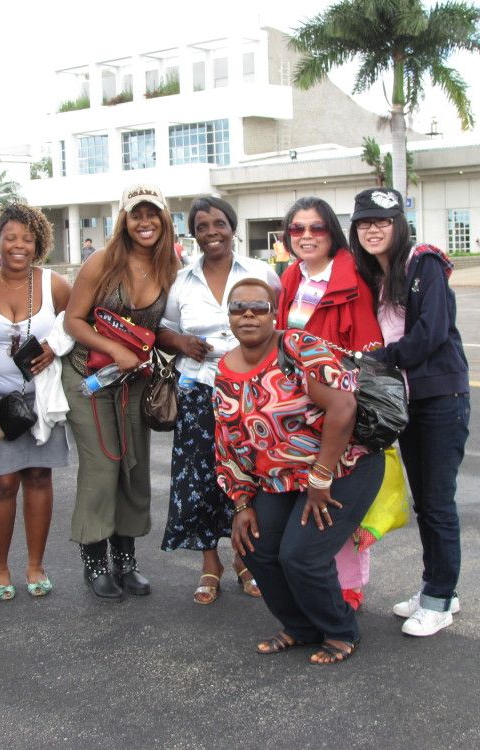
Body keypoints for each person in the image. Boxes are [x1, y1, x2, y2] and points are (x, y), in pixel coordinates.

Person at [215, 278, 385, 664]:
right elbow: (229, 441)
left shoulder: (298, 347)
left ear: (274, 314)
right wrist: (242, 504)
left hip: (343, 467)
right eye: (238, 307)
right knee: (255, 546)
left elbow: (343, 407)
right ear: (229, 317)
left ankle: (340, 630)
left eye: (258, 307)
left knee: (301, 555)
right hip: (283, 476)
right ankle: (300, 627)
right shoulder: (224, 370)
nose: (248, 314)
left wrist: (321, 476)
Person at [349, 186, 470, 637]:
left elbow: (432, 332)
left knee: (437, 503)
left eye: (382, 221)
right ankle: (438, 588)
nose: (373, 229)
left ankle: (439, 599)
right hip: (406, 401)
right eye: (364, 222)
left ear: (399, 225)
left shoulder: (424, 263)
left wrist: (378, 358)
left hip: (440, 397)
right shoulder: (376, 275)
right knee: (426, 502)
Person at [157, 196, 280, 605]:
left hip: (253, 391)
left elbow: (278, 320)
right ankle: (211, 564)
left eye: (219, 224)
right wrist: (180, 342)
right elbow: (163, 328)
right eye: (202, 227)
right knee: (201, 478)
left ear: (232, 227)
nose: (212, 232)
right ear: (194, 234)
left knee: (251, 474)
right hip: (199, 389)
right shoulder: (182, 281)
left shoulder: (260, 272)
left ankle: (247, 560)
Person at [62, 184, 179, 600]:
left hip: (134, 381)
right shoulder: (102, 261)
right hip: (88, 378)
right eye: (136, 214)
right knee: (102, 466)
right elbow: (73, 320)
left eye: (152, 213)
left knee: (133, 466)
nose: (145, 222)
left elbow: (164, 328)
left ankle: (125, 560)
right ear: (124, 221)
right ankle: (94, 560)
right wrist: (113, 349)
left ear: (164, 219)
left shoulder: (170, 266)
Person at [274, 196, 382, 612]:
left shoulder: (351, 277)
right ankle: (314, 584)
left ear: (331, 232)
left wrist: (345, 400)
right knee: (311, 501)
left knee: (339, 498)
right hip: (299, 408)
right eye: (297, 228)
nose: (306, 236)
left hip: (340, 405)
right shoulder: (291, 276)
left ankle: (350, 587)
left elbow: (368, 351)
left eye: (316, 228)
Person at [0, 203, 72, 600]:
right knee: (1, 483)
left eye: (28, 239)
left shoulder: (54, 284)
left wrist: (55, 345)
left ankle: (35, 566)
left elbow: (78, 322)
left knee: (39, 478)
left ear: (39, 244)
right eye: (10, 237)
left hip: (41, 400)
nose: (19, 245)